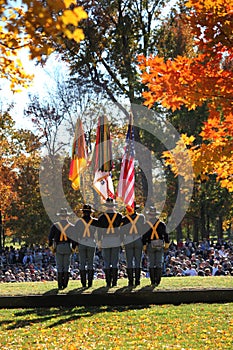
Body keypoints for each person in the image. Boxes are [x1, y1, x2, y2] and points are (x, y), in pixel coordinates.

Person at [48, 208, 77, 290]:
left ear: (60, 217)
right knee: (67, 266)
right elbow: (74, 239)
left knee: (59, 266)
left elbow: (50, 239)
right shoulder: (71, 226)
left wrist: (52, 249)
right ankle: (65, 284)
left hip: (59, 247)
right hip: (68, 246)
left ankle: (60, 284)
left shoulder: (55, 226)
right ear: (67, 216)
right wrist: (73, 249)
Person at [97, 198, 123, 287]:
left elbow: (99, 231)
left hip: (105, 240)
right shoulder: (119, 216)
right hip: (116, 239)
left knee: (107, 262)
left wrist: (99, 242)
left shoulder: (101, 217)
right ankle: (114, 282)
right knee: (115, 262)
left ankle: (108, 283)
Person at [142, 206, 170, 287]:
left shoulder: (146, 224)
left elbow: (144, 237)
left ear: (150, 215)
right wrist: (166, 246)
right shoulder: (162, 224)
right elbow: (166, 235)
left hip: (151, 244)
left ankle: (152, 281)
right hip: (160, 244)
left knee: (151, 263)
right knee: (159, 263)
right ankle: (158, 280)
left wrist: (144, 247)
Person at [121, 203, 145, 287]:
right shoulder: (141, 217)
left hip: (128, 239)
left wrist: (122, 241)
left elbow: (122, 231)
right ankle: (137, 281)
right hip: (138, 238)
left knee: (129, 261)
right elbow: (143, 230)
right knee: (138, 261)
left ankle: (130, 281)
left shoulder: (124, 219)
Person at [74, 204, 98, 288]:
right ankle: (90, 283)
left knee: (82, 263)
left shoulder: (79, 222)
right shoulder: (95, 221)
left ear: (83, 212)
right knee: (91, 263)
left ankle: (83, 283)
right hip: (91, 241)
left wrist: (75, 245)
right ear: (91, 213)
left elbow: (75, 235)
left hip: (82, 241)